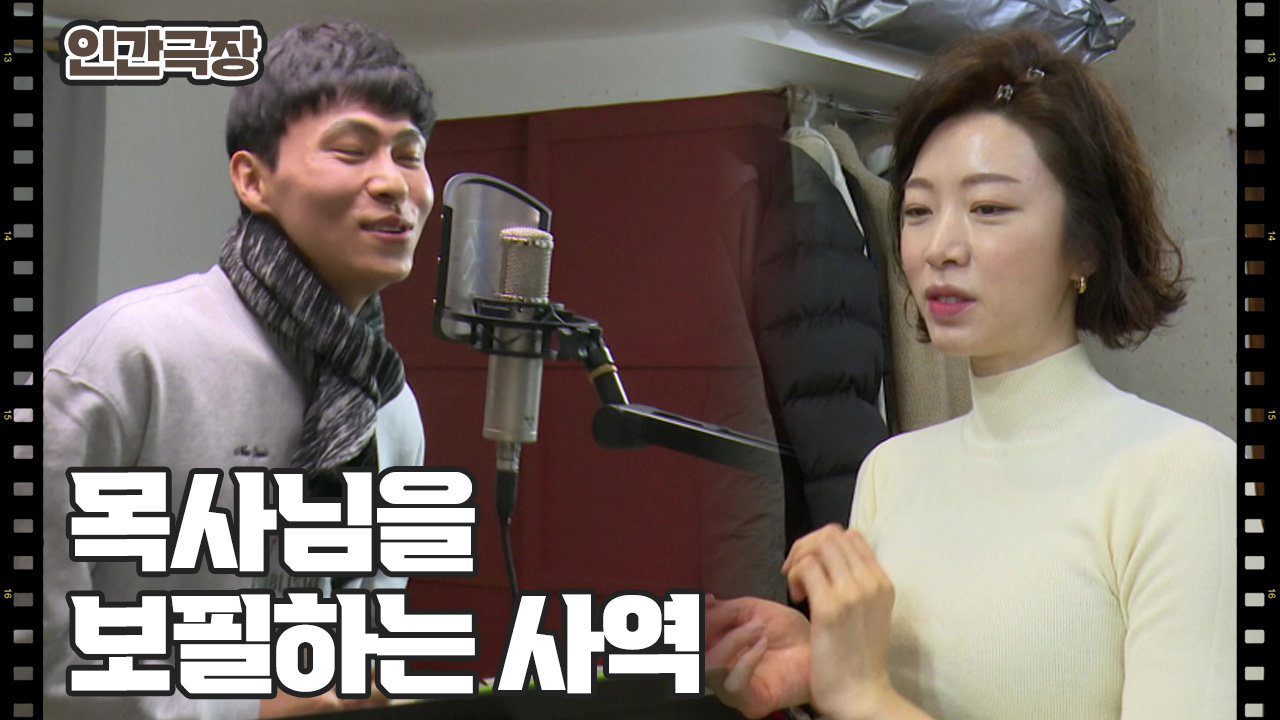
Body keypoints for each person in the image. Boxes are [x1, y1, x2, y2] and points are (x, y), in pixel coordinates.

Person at [706, 29, 1234, 720]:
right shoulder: (891, 472)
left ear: (1086, 245)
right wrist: (824, 668)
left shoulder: (1183, 476)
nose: (940, 248)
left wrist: (864, 695)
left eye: (989, 209)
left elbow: (877, 703)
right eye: (918, 211)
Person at [43, 20, 435, 719]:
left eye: (409, 155)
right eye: (351, 151)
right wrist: (245, 709)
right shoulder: (127, 357)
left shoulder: (391, 408)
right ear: (253, 180)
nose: (391, 182)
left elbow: (370, 631)